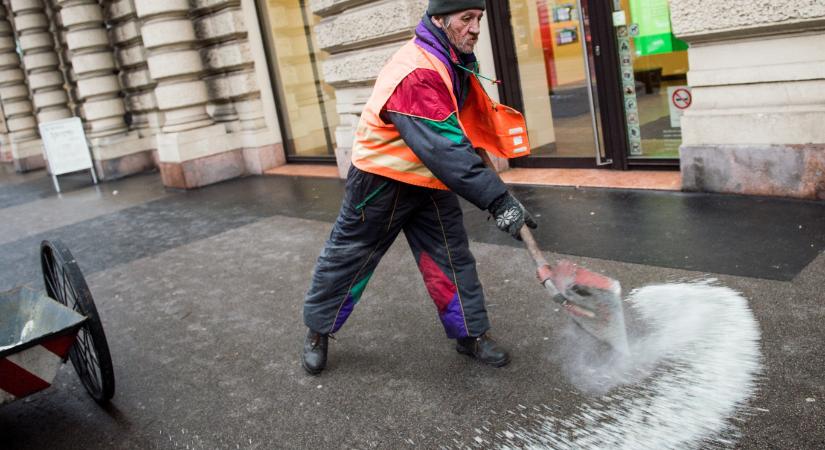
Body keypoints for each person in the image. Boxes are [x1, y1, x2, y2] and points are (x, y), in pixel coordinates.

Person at [301, 0, 537, 375]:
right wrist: (498, 201)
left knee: (451, 257)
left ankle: (470, 334)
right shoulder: (415, 72)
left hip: (430, 176)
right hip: (381, 181)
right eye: (466, 19)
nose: (476, 28)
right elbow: (444, 148)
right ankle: (318, 329)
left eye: (478, 18)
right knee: (350, 257)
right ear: (440, 20)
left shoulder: (453, 58)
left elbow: (454, 131)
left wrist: (495, 189)